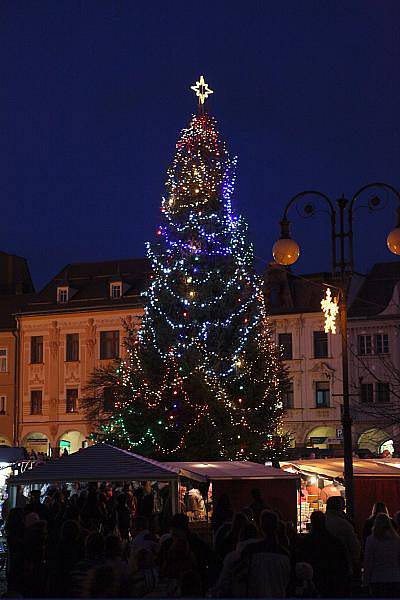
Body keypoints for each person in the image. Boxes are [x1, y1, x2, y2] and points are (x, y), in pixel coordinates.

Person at [296, 510, 349, 597]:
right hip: (331, 581)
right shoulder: (335, 542)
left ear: (312, 523)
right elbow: (343, 564)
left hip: (313, 580)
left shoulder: (305, 542)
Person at [239, 510, 291, 597]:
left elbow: (241, 578)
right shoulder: (285, 554)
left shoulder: (250, 550)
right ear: (277, 527)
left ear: (260, 526)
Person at [363, 513, 400, 597]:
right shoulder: (397, 540)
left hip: (377, 578)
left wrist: (365, 581)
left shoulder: (371, 540)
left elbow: (368, 562)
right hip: (395, 577)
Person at [325, 495, 361, 577]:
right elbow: (354, 546)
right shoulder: (344, 524)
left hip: (324, 562)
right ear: (340, 508)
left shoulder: (323, 521)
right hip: (342, 561)